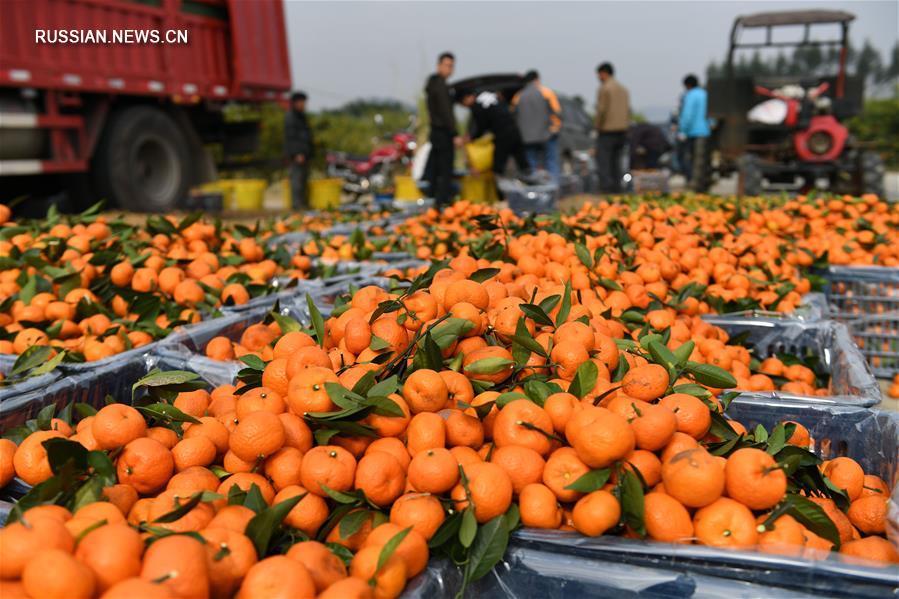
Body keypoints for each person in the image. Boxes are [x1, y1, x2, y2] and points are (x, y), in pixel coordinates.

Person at [459, 89, 530, 177]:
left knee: (498, 165)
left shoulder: (477, 106)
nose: (465, 106)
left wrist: (472, 138)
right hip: (514, 130)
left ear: (468, 98)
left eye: (463, 103)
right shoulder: (490, 96)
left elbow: (481, 126)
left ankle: (500, 187)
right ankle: (531, 181)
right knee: (522, 161)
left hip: (502, 135)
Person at [425, 52, 460, 208]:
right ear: (439, 66)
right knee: (445, 169)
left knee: (436, 168)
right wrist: (455, 133)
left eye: (451, 66)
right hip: (443, 132)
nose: (449, 69)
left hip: (436, 132)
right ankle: (442, 202)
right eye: (447, 65)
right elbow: (446, 112)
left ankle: (434, 200)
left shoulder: (434, 84)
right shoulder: (440, 86)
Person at [511, 70, 561, 180]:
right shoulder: (547, 92)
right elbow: (557, 112)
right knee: (551, 162)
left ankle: (534, 190)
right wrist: (555, 128)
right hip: (547, 135)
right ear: (537, 79)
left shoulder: (518, 96)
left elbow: (513, 116)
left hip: (527, 137)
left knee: (531, 164)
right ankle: (553, 188)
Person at [595, 62, 630, 193]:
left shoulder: (605, 88)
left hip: (607, 130)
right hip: (622, 130)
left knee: (604, 161)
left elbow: (602, 110)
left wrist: (597, 126)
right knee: (617, 161)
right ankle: (618, 186)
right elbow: (628, 110)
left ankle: (606, 187)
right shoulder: (623, 89)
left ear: (604, 73)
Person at [678, 74, 711, 189]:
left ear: (687, 85)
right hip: (706, 131)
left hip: (693, 131)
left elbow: (687, 115)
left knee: (692, 159)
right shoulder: (705, 94)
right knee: (703, 159)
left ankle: (695, 183)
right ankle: (704, 181)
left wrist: (683, 130)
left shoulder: (690, 95)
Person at [284, 91, 313, 210]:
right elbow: (291, 137)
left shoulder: (301, 116)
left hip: (304, 154)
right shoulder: (291, 117)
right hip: (297, 155)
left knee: (304, 179)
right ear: (295, 103)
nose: (303, 105)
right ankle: (297, 205)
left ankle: (303, 204)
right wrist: (297, 153)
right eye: (301, 102)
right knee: (297, 180)